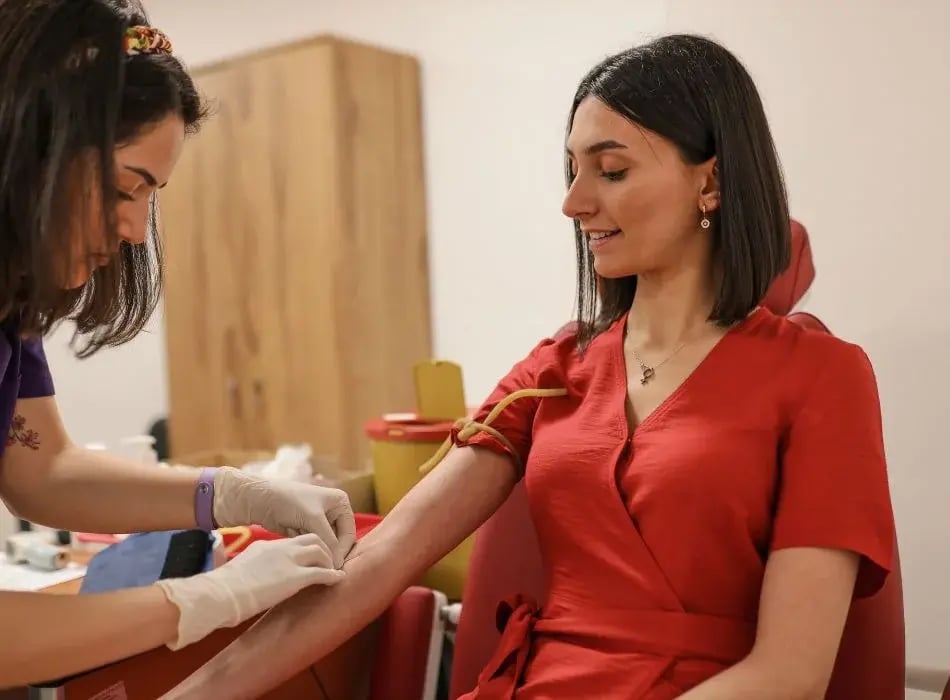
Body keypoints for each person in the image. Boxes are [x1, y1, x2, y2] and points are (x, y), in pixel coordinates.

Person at [165, 34, 896, 700]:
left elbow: (791, 673)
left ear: (710, 181)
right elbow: (379, 564)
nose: (574, 202)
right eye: (572, 169)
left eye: (610, 170)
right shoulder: (558, 367)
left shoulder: (823, 376)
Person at [0, 0, 354, 689]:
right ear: (30, 143)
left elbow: (41, 471)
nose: (135, 230)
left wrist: (234, 494)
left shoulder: (13, 307)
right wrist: (200, 601)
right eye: (125, 187)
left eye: (151, 198)